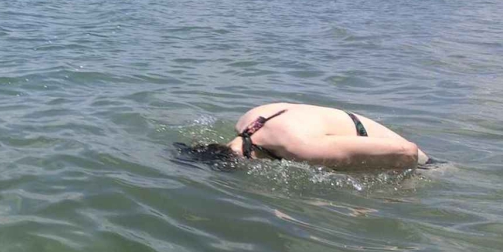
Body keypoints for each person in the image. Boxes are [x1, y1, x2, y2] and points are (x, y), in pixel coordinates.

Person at [177, 102, 430, 170]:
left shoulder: (299, 148)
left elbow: (406, 151)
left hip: (420, 164)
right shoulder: (246, 121)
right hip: (352, 132)